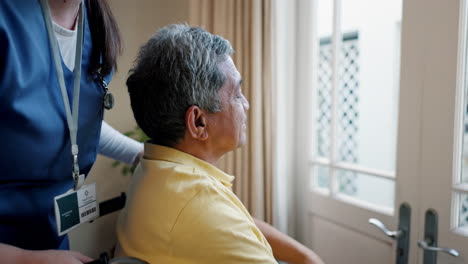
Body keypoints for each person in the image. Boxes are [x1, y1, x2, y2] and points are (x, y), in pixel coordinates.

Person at [115, 24, 324, 264]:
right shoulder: (199, 203)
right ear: (198, 122)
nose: (246, 104)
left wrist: (305, 256)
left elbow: (237, 222)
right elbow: (219, 219)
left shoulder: (155, 168)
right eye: (236, 94)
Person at [0, 0, 143, 263]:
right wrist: (23, 259)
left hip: (50, 242)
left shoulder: (95, 24)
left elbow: (69, 124)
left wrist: (141, 155)